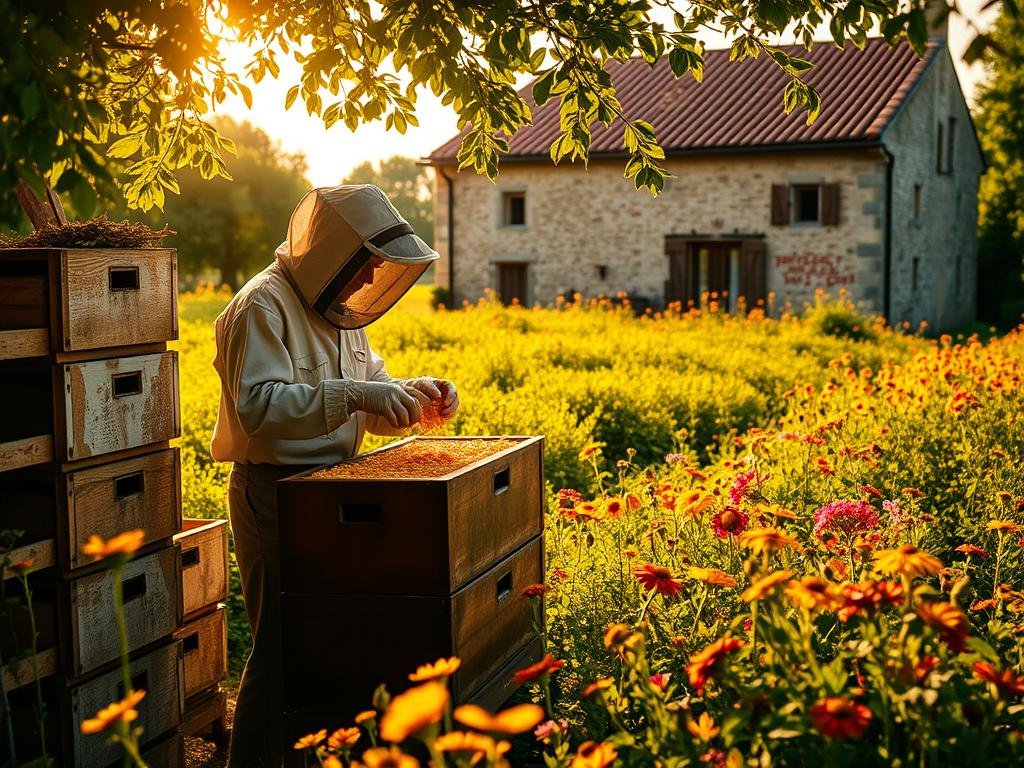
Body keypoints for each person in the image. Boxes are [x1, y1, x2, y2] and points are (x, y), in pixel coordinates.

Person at [210, 185, 459, 767]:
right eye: (367, 262)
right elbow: (259, 407)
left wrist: (413, 394)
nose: (372, 276)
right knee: (280, 649)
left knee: (327, 642)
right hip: (273, 494)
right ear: (332, 254)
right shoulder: (261, 307)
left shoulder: (341, 311)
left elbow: (367, 402)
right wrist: (355, 393)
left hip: (332, 496)